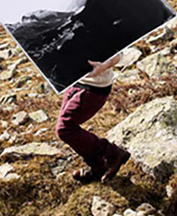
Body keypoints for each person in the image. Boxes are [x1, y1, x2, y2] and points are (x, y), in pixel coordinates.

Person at [55, 53, 131, 183]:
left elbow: (119, 53)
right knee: (66, 127)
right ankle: (97, 167)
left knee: (65, 129)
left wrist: (104, 66)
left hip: (94, 89)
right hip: (75, 82)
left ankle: (113, 153)